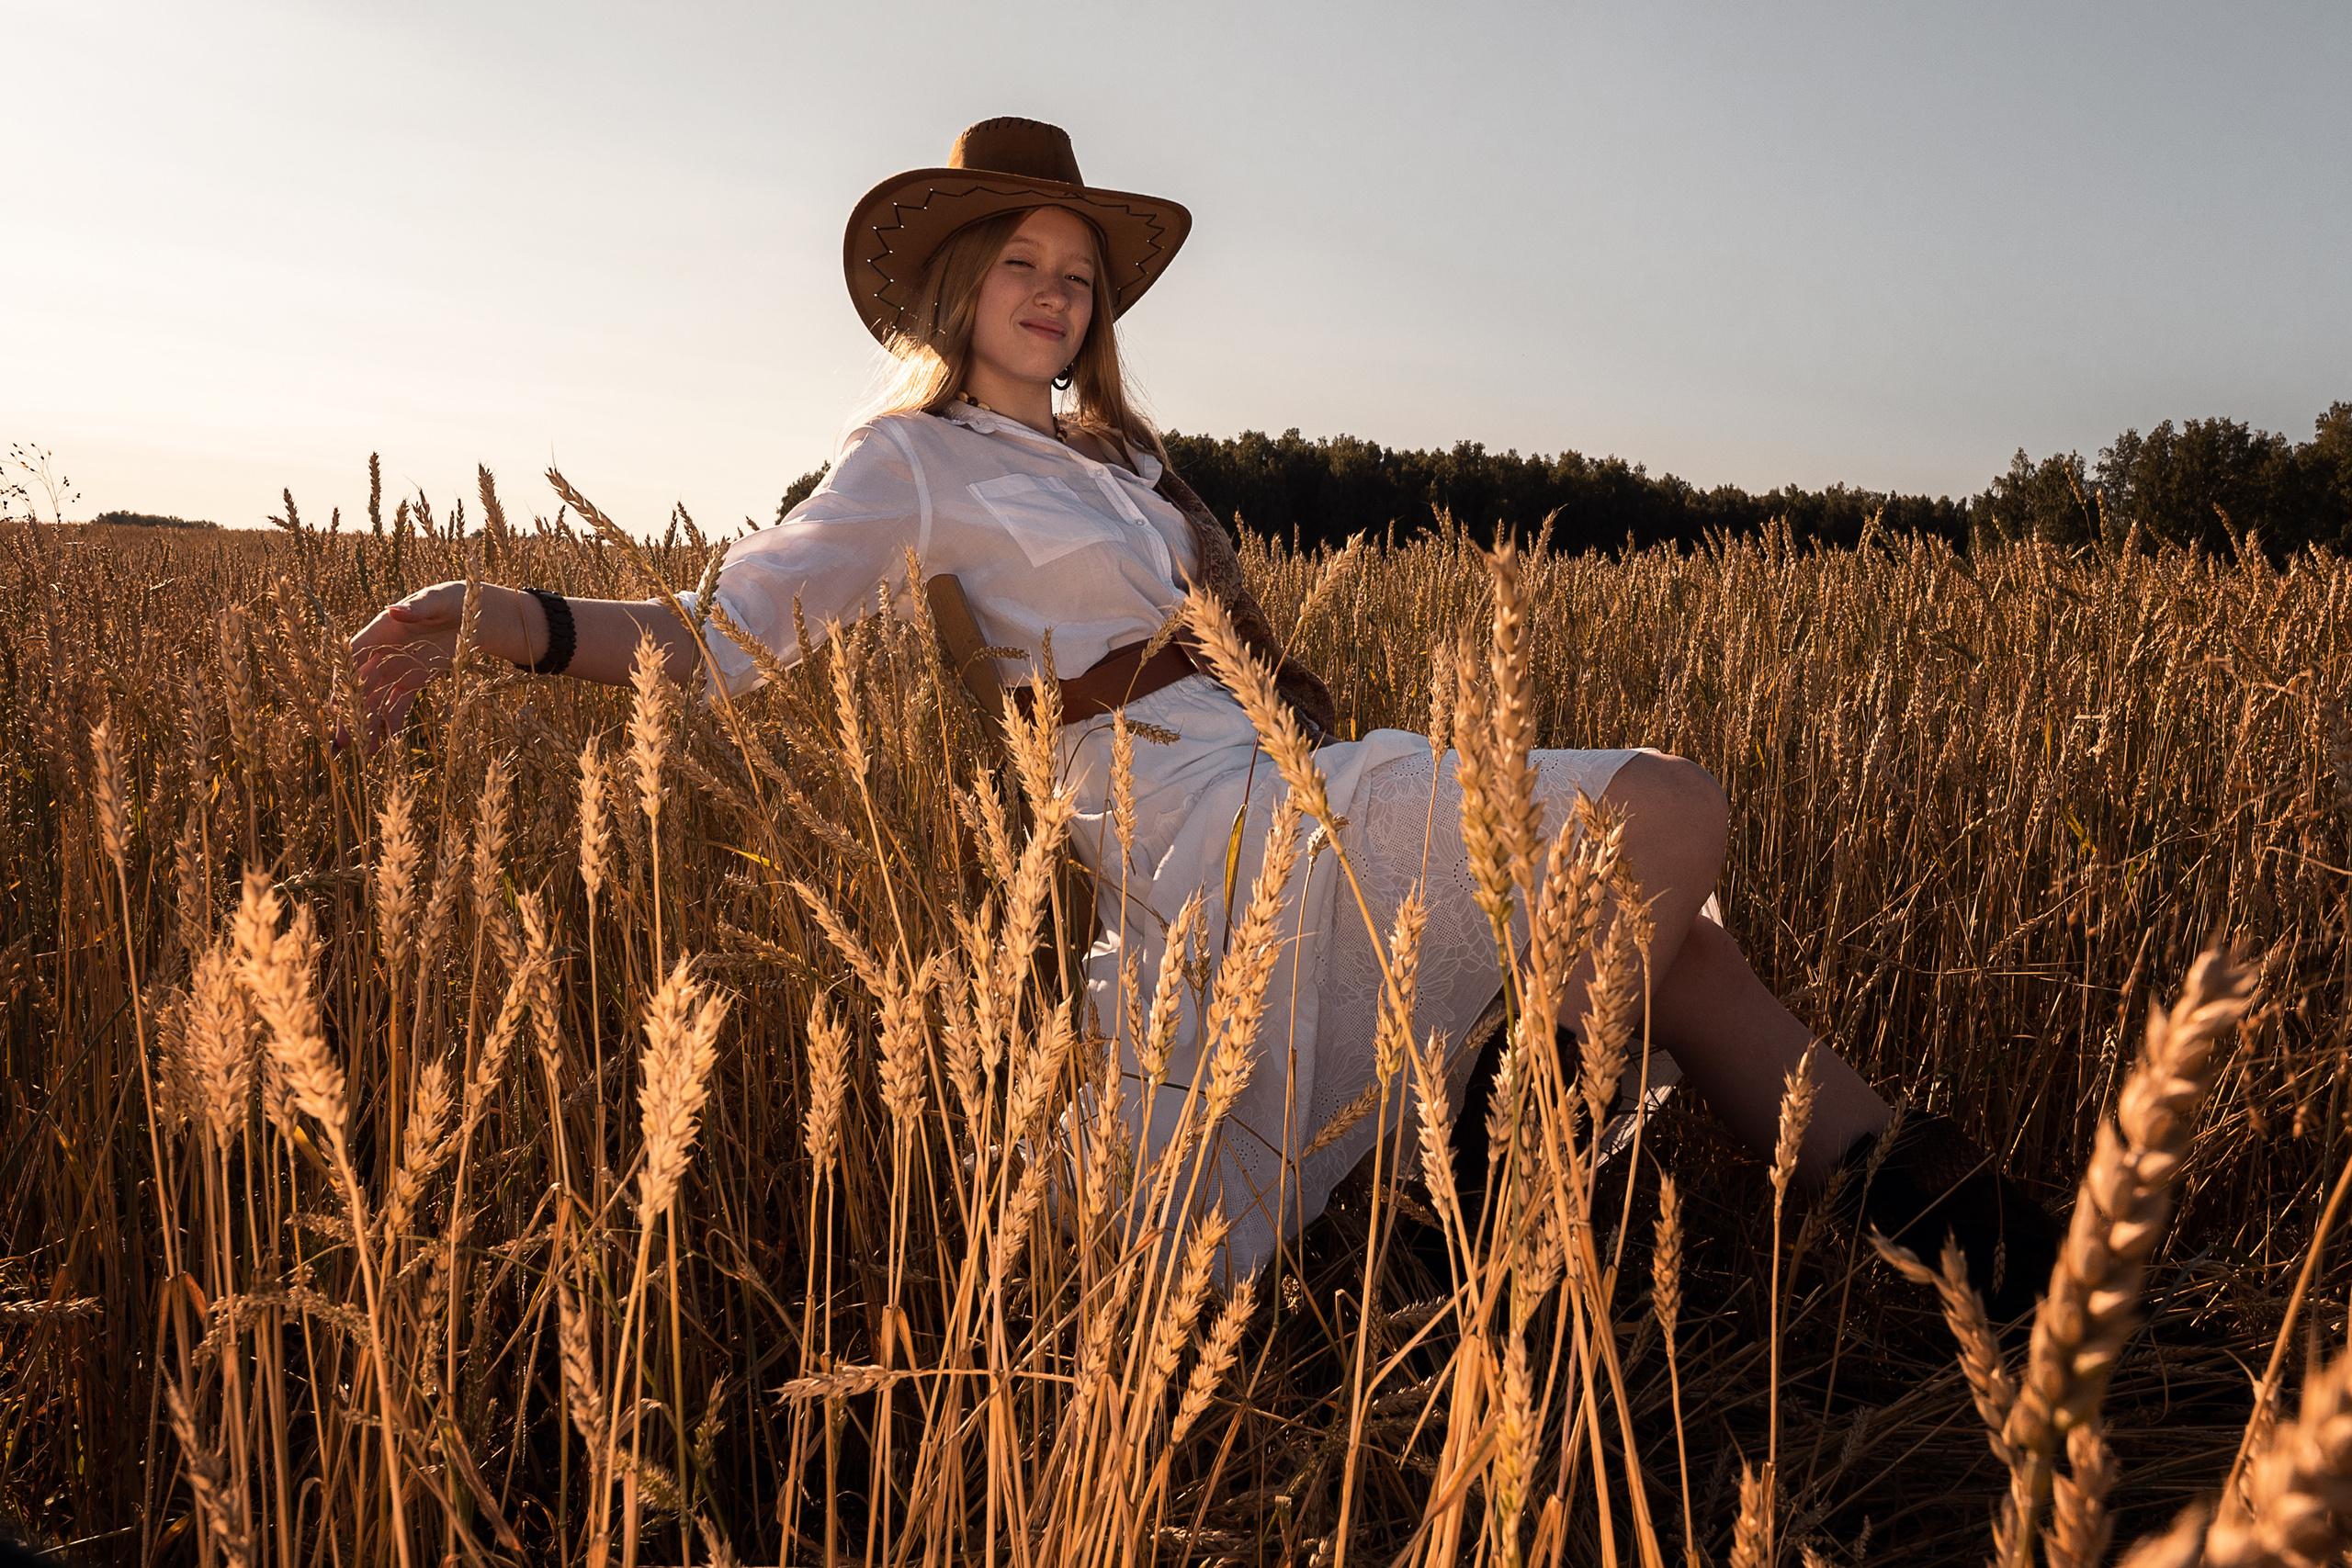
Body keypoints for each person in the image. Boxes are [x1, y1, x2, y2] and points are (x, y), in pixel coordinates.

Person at [352, 118, 2055, 1313]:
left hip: (1299, 778)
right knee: (1666, 812)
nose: (1056, 291)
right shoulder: (908, 463)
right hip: (1182, 827)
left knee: (1689, 957)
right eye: (1020, 260)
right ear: (951, 288)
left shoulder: (1125, 463)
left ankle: (2009, 1262)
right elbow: (720, 640)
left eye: (1077, 271)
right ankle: (1497, 1190)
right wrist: (499, 615)